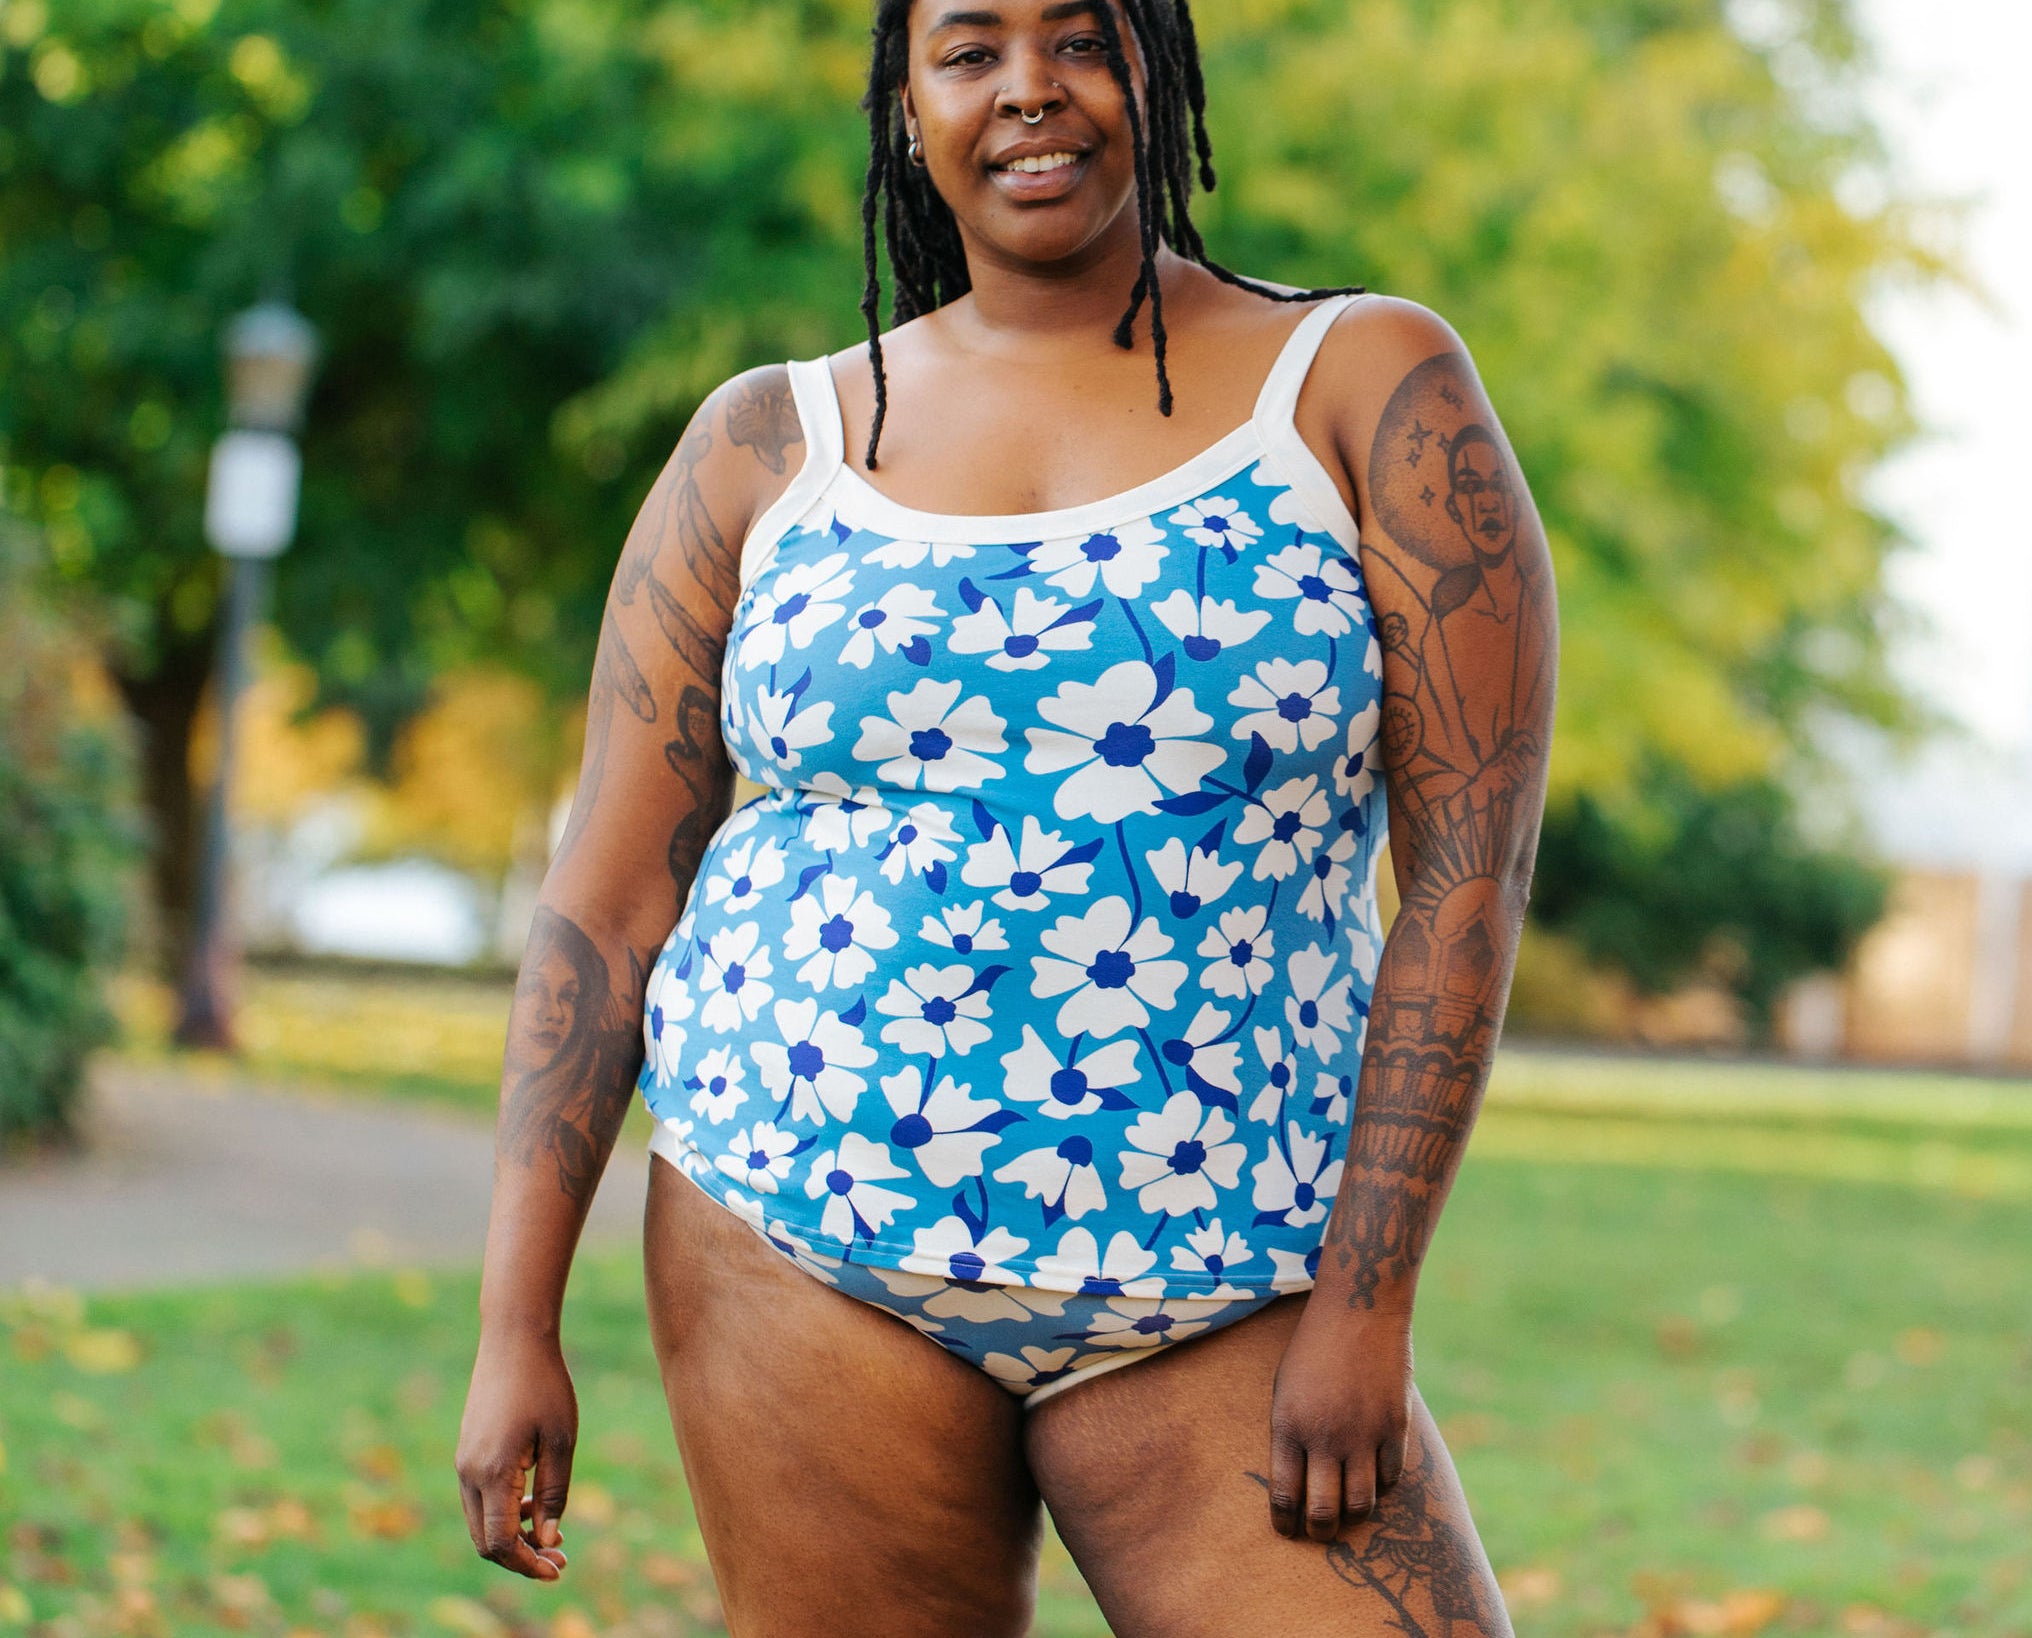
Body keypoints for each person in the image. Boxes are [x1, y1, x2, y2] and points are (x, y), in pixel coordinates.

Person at [456, 0, 1557, 1630]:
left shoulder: (1366, 384)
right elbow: (608, 906)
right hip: (795, 1235)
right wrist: (513, 1320)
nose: (1027, 90)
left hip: (1227, 1270)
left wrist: (1366, 1306)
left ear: (1156, 72)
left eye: (1081, 40)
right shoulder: (770, 443)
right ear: (908, 110)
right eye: (968, 51)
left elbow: (1464, 885)